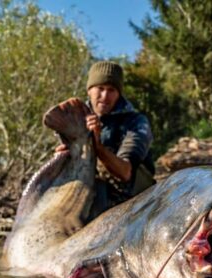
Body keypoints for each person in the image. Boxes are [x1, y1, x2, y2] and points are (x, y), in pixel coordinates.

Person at [58, 61, 155, 224]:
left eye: (111, 90)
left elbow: (125, 173)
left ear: (119, 94)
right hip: (87, 193)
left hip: (134, 201)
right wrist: (62, 159)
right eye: (100, 89)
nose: (105, 96)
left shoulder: (136, 122)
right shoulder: (76, 119)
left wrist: (97, 146)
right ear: (89, 90)